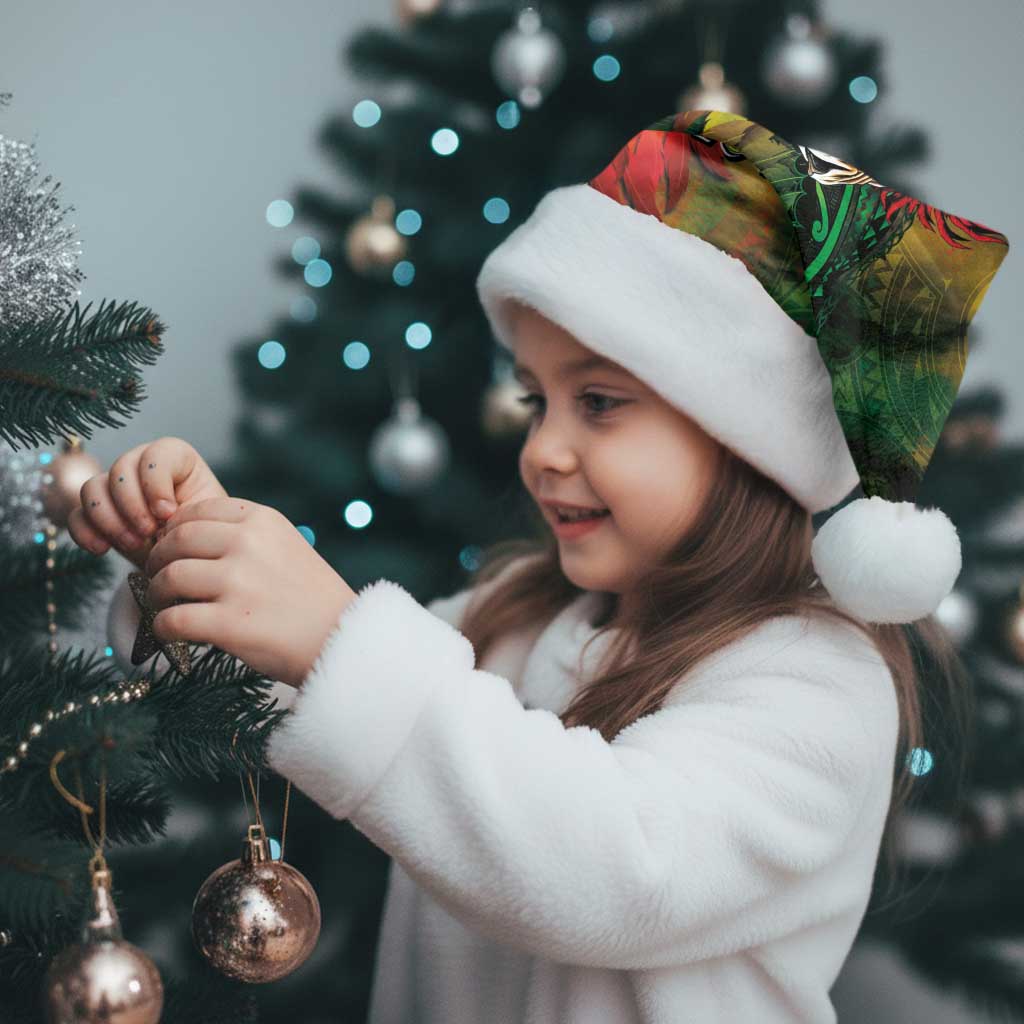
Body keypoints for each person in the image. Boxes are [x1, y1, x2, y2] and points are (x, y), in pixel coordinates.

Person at [73, 109, 1010, 1023]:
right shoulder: (514, 616)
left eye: (598, 403)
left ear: (747, 440)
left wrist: (335, 635)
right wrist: (190, 566)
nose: (543, 450)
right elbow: (307, 690)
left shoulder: (818, 682)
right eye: (535, 402)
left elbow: (616, 871)